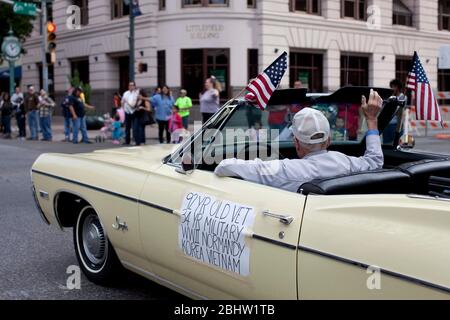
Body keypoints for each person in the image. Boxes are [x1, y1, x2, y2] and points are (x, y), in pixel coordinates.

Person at [214, 89, 384, 193]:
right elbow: (375, 161)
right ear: (329, 140)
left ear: (296, 143)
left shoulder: (287, 170)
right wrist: (371, 119)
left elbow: (224, 167)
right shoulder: (347, 163)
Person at [384, 79, 406, 144]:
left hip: (396, 124)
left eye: (394, 87)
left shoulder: (402, 97)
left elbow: (398, 110)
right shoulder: (390, 96)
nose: (392, 88)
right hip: (387, 124)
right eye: (391, 86)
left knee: (396, 144)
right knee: (386, 143)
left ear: (398, 87)